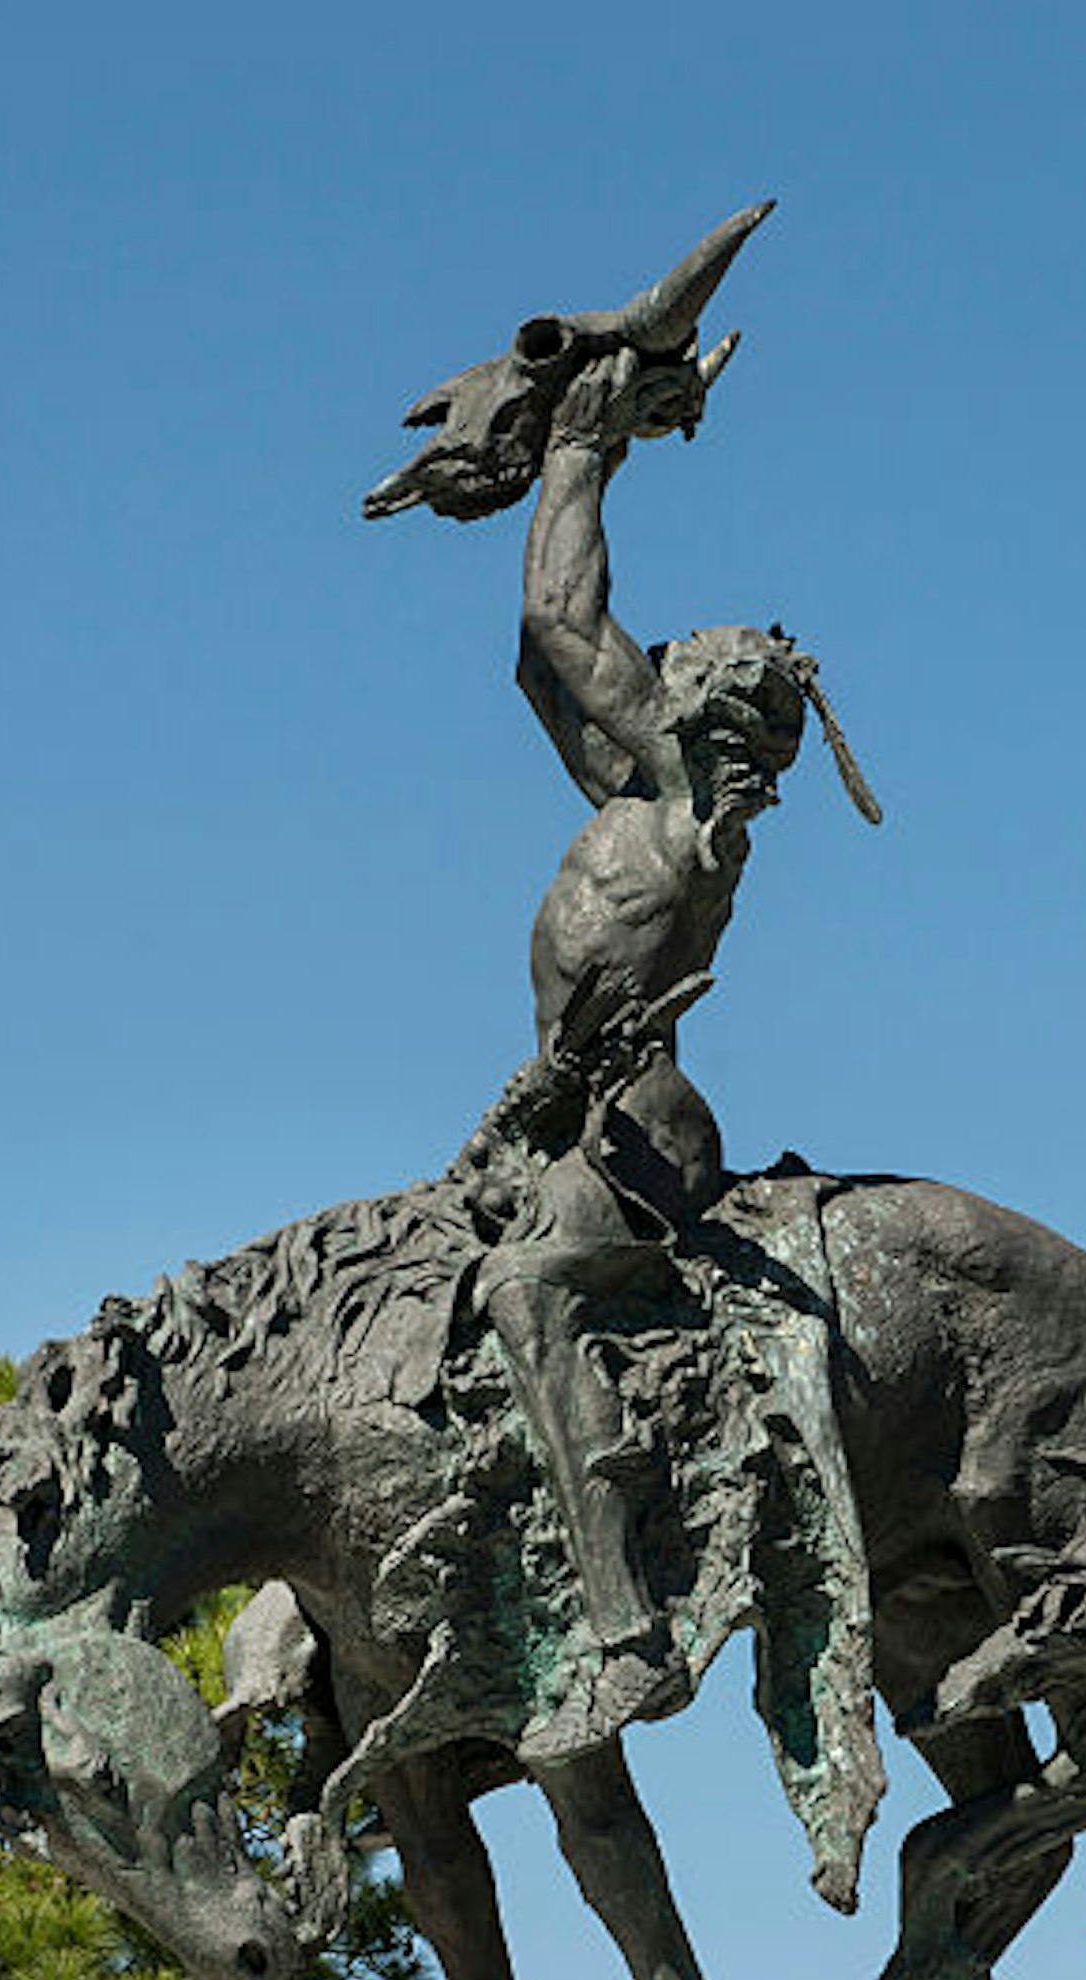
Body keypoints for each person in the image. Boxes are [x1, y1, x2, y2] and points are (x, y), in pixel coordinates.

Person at [466, 344, 867, 1735]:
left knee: (530, 1295)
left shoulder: (698, 811)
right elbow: (546, 639)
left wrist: (588, 439)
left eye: (691, 662)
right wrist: (584, 442)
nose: (661, 660)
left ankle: (623, 1618)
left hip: (640, 1125)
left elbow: (573, 624)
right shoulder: (631, 797)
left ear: (719, 711)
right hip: (560, 1115)